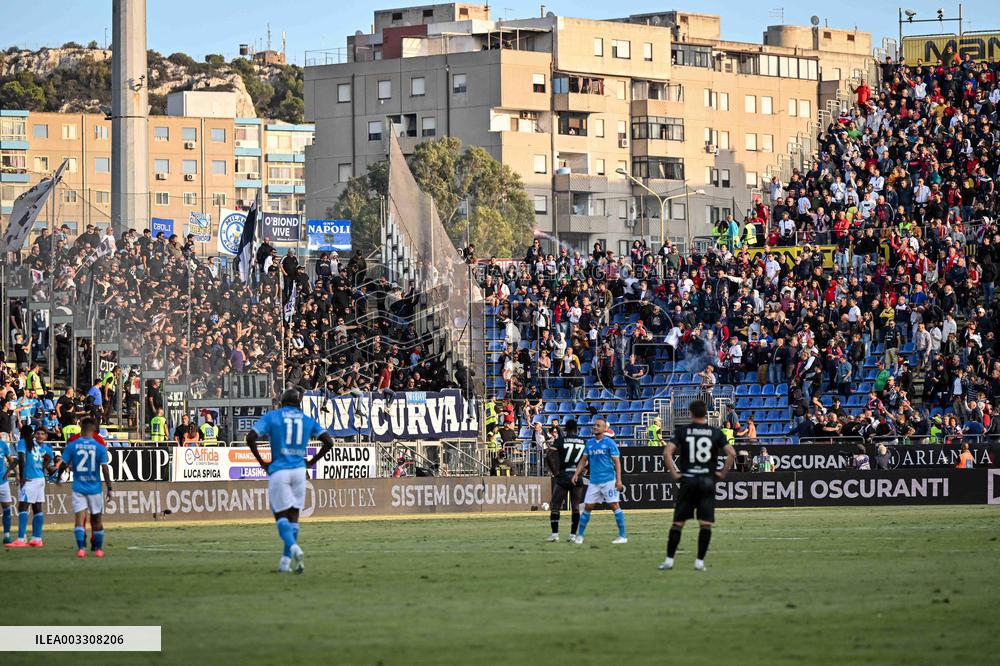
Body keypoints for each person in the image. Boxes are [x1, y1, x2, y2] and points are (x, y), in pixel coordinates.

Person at [246, 388, 335, 573]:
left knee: (280, 516)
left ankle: (294, 548)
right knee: (294, 517)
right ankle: (285, 563)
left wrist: (262, 462)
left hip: (280, 470)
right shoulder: (307, 419)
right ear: (298, 403)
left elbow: (251, 437)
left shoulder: (273, 416)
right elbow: (329, 442)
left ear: (282, 402)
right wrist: (312, 461)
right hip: (299, 471)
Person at [660, 399, 735, 571]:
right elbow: (731, 453)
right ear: (706, 413)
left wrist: (675, 474)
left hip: (688, 479)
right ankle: (699, 562)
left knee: (678, 523)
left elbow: (667, 452)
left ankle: (669, 560)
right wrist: (721, 474)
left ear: (690, 413)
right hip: (707, 480)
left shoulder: (683, 431)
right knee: (705, 523)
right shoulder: (715, 432)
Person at [57, 418, 112, 558]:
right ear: (94, 428)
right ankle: (98, 548)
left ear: (80, 426)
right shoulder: (99, 444)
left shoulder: (72, 443)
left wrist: (58, 477)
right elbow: (105, 468)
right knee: (97, 518)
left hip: (78, 487)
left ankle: (81, 548)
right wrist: (109, 487)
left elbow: (64, 463)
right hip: (95, 487)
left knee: (79, 518)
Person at [570, 417, 626, 545]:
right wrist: (576, 474)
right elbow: (583, 460)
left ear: (605, 429)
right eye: (594, 425)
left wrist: (618, 480)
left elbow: (617, 462)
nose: (595, 427)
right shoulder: (589, 443)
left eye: (598, 425)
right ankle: (580, 536)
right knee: (588, 507)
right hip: (594, 481)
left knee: (614, 505)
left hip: (608, 480)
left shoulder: (610, 443)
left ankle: (622, 536)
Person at [6, 425, 54, 548]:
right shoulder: (35, 445)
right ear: (32, 433)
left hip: (30, 478)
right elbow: (48, 457)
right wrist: (42, 468)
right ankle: (37, 539)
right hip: (40, 478)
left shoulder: (23, 442)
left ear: (21, 432)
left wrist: (22, 476)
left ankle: (21, 539)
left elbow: (21, 459)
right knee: (37, 507)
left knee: (23, 506)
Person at [544, 419, 586, 542]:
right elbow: (588, 459)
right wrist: (583, 471)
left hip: (563, 475)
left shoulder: (561, 440)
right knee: (576, 507)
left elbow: (549, 455)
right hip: (577, 476)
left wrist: (555, 472)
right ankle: (573, 535)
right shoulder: (583, 442)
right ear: (576, 429)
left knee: (555, 506)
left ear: (566, 429)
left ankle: (555, 534)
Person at [0, 434, 13, 544]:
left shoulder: (3, 445)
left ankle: (7, 535)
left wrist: (12, 472)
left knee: (7, 509)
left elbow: (11, 460)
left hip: (3, 482)